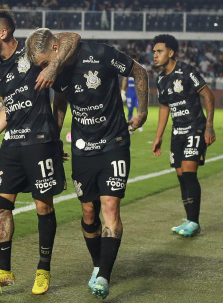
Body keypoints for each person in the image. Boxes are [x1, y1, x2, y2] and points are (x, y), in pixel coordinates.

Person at [25, 28, 149, 300]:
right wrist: (55, 141)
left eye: (45, 63)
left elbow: (140, 71)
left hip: (114, 143)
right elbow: (60, 104)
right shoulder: (57, 75)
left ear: (55, 51)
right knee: (89, 213)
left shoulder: (101, 54)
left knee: (110, 206)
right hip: (82, 148)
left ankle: (104, 275)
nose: (44, 69)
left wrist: (142, 112)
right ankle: (97, 264)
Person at [0, 9, 80, 295]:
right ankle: (3, 270)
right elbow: (9, 107)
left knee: (43, 207)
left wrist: (54, 66)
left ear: (3, 33)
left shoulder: (33, 50)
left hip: (40, 142)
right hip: (12, 144)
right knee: (0, 206)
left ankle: (43, 270)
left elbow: (71, 38)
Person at [151, 34, 216, 238]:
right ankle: (189, 220)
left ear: (171, 53)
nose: (154, 55)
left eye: (159, 51)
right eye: (153, 52)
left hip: (194, 127)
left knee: (189, 173)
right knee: (181, 177)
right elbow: (164, 108)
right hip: (177, 131)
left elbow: (208, 95)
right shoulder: (161, 78)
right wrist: (158, 136)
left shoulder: (186, 71)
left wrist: (209, 127)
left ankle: (195, 222)